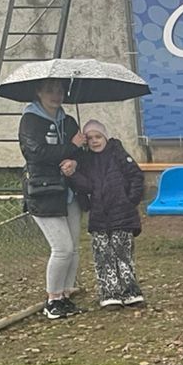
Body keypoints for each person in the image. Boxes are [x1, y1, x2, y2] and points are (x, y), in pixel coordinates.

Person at [18, 79, 84, 320]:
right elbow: (36, 153)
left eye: (59, 90)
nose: (56, 95)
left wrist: (74, 161)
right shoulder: (30, 121)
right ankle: (52, 299)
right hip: (43, 191)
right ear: (38, 92)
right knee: (62, 248)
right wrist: (70, 148)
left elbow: (81, 151)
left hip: (69, 192)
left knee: (73, 248)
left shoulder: (69, 121)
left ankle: (65, 295)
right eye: (49, 90)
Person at [69, 119, 145, 307]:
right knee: (103, 255)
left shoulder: (118, 154)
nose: (95, 141)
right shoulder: (86, 160)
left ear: (105, 137)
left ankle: (130, 291)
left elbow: (136, 175)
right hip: (99, 216)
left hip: (122, 214)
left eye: (98, 136)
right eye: (90, 138)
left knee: (123, 253)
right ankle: (109, 292)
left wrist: (131, 200)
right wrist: (73, 175)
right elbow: (86, 185)